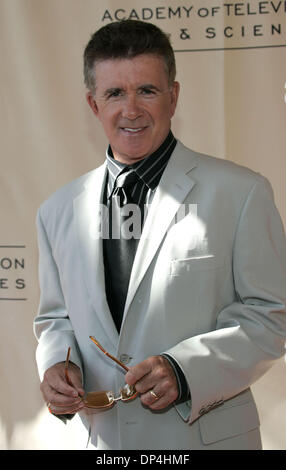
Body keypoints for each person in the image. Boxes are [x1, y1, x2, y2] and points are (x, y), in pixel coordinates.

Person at [34, 20, 286, 450]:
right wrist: (59, 364)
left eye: (146, 90)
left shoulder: (241, 192)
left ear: (174, 96)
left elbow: (272, 315)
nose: (131, 110)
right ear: (94, 105)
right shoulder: (56, 210)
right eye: (115, 93)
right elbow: (55, 320)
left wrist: (185, 370)